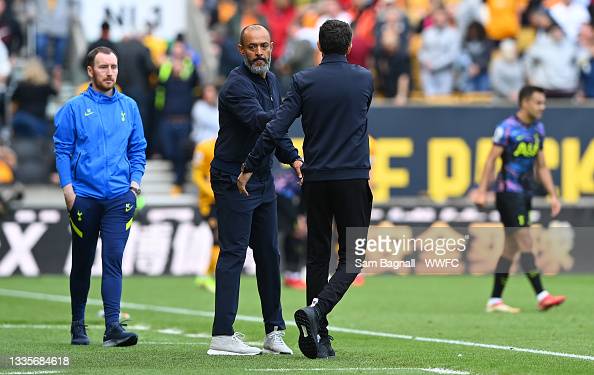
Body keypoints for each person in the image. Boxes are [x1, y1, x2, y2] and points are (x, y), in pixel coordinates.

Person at [238, 20, 374, 359]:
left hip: (315, 180)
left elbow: (274, 129)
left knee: (316, 255)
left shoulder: (303, 81)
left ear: (319, 46)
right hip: (353, 178)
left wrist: (249, 166)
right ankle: (318, 312)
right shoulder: (364, 79)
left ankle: (318, 339)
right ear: (349, 45)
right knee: (353, 257)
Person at [207, 24, 301, 356]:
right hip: (234, 178)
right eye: (252, 47)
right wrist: (293, 110)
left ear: (272, 46)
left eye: (264, 46)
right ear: (241, 50)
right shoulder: (235, 86)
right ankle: (221, 335)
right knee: (233, 253)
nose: (259, 52)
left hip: (260, 177)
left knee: (269, 255)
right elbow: (262, 121)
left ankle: (274, 332)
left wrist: (293, 159)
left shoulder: (273, 81)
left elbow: (274, 131)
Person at [53, 46, 147, 347]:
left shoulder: (129, 107)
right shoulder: (73, 108)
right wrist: (69, 191)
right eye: (104, 67)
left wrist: (134, 186)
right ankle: (78, 326)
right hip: (85, 198)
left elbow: (138, 149)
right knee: (82, 262)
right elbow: (62, 151)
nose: (110, 72)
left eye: (114, 67)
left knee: (113, 260)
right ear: (90, 71)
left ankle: (112, 328)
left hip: (120, 197)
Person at [473, 85, 566, 314]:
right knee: (525, 240)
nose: (542, 107)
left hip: (526, 193)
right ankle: (542, 295)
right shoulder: (506, 128)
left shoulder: (538, 129)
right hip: (508, 193)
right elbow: (490, 160)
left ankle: (495, 300)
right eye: (538, 102)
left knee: (510, 247)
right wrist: (482, 190)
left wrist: (553, 195)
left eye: (543, 103)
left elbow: (541, 165)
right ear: (524, 102)